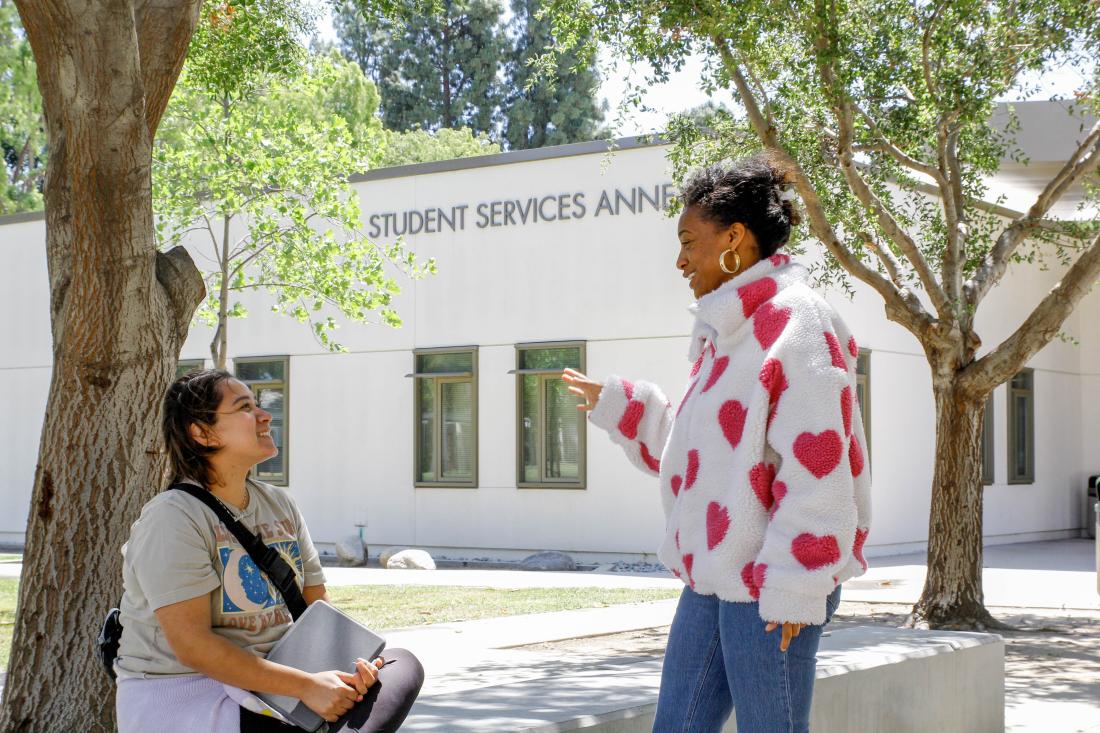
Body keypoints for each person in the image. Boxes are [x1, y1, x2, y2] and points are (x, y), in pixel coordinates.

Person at [563, 155, 871, 733]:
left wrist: (796, 585)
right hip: (715, 572)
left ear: (735, 238)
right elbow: (702, 454)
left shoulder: (797, 322)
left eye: (689, 242)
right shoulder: (727, 332)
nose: (680, 261)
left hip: (773, 580)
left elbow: (819, 466)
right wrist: (623, 405)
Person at [114, 369, 424, 733]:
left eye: (258, 405)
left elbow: (316, 608)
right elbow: (194, 647)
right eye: (245, 407)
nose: (265, 415)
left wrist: (352, 669)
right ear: (203, 433)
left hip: (282, 672)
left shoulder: (278, 503)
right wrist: (307, 686)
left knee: (400, 665)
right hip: (195, 691)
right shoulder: (173, 517)